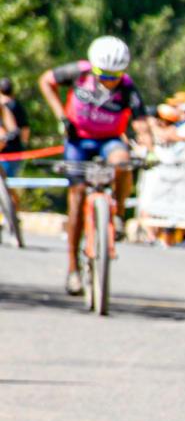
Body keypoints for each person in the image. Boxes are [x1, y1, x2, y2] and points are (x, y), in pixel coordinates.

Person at [38, 36, 154, 295]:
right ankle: (73, 269)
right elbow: (46, 80)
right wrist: (60, 115)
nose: (110, 81)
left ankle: (119, 214)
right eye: (104, 75)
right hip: (78, 141)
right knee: (77, 197)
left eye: (116, 76)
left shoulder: (127, 86)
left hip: (109, 140)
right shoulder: (79, 72)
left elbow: (141, 122)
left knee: (123, 163)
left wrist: (149, 148)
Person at [0, 77, 31, 181]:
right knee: (10, 184)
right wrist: (24, 145)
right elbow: (25, 129)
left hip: (6, 152)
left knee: (5, 184)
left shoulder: (4, 106)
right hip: (15, 151)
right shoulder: (17, 106)